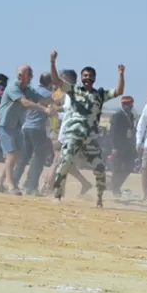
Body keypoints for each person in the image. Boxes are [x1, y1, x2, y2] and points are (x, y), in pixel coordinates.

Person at [49, 51, 125, 208]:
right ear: (81, 77)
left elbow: (118, 92)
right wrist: (52, 62)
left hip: (90, 137)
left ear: (94, 78)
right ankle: (57, 195)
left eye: (90, 76)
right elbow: (56, 80)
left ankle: (99, 198)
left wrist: (121, 74)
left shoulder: (100, 94)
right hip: (73, 135)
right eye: (85, 76)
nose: (87, 78)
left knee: (99, 168)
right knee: (64, 162)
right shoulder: (73, 90)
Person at [0, 65, 58, 195]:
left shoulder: (28, 89)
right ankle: (11, 185)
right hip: (5, 124)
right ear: (21, 76)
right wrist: (45, 109)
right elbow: (25, 102)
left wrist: (59, 104)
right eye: (29, 75)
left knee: (16, 155)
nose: (31, 78)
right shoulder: (14, 87)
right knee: (12, 154)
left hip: (17, 125)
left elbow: (41, 98)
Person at [14, 72, 57, 195]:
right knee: (39, 158)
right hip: (38, 129)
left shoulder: (32, 91)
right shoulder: (48, 95)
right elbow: (56, 107)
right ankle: (32, 186)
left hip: (26, 127)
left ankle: (14, 181)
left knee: (24, 157)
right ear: (49, 83)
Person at [109, 96, 138, 197]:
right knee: (117, 168)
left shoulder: (131, 116)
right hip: (118, 146)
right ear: (123, 105)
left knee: (129, 167)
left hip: (128, 146)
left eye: (131, 104)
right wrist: (114, 147)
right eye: (128, 104)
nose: (130, 106)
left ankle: (115, 185)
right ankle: (115, 189)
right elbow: (113, 132)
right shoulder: (117, 115)